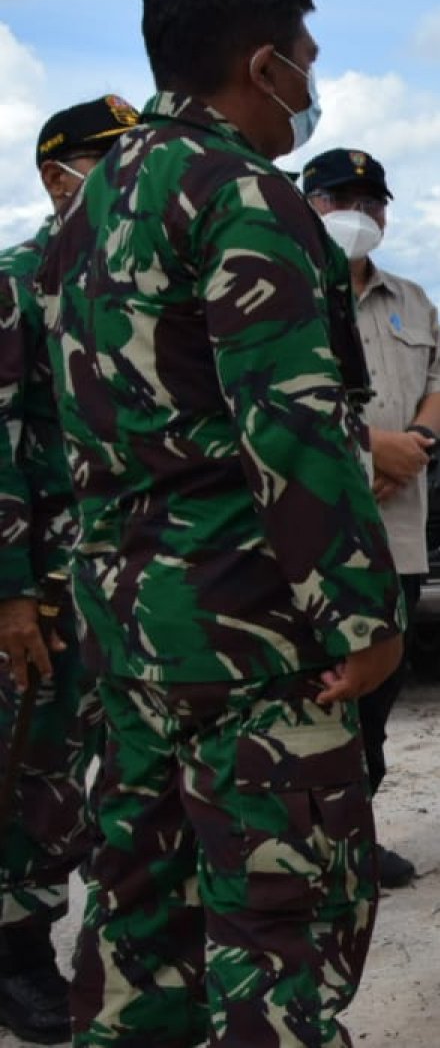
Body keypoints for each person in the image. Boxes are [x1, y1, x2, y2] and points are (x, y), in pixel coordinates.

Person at [36, 0, 403, 1047]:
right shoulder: (246, 194)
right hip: (248, 634)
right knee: (279, 923)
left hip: (129, 627)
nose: (310, 85)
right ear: (262, 64)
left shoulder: (90, 204)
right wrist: (365, 619)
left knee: (141, 916)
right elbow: (294, 432)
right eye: (304, 61)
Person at [0, 96, 138, 1044]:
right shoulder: (18, 282)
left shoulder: (128, 281)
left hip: (117, 576)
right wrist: (10, 591)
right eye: (110, 161)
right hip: (41, 579)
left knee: (93, 767)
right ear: (59, 176)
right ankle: (15, 952)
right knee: (31, 767)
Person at [301, 147, 440, 891]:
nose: (359, 216)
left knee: (377, 695)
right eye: (341, 199)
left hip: (397, 539)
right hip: (309, 540)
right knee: (314, 688)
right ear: (307, 203)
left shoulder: (411, 300)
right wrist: (372, 453)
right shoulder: (278, 291)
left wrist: (416, 445)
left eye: (372, 203)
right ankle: (304, 844)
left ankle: (354, 836)